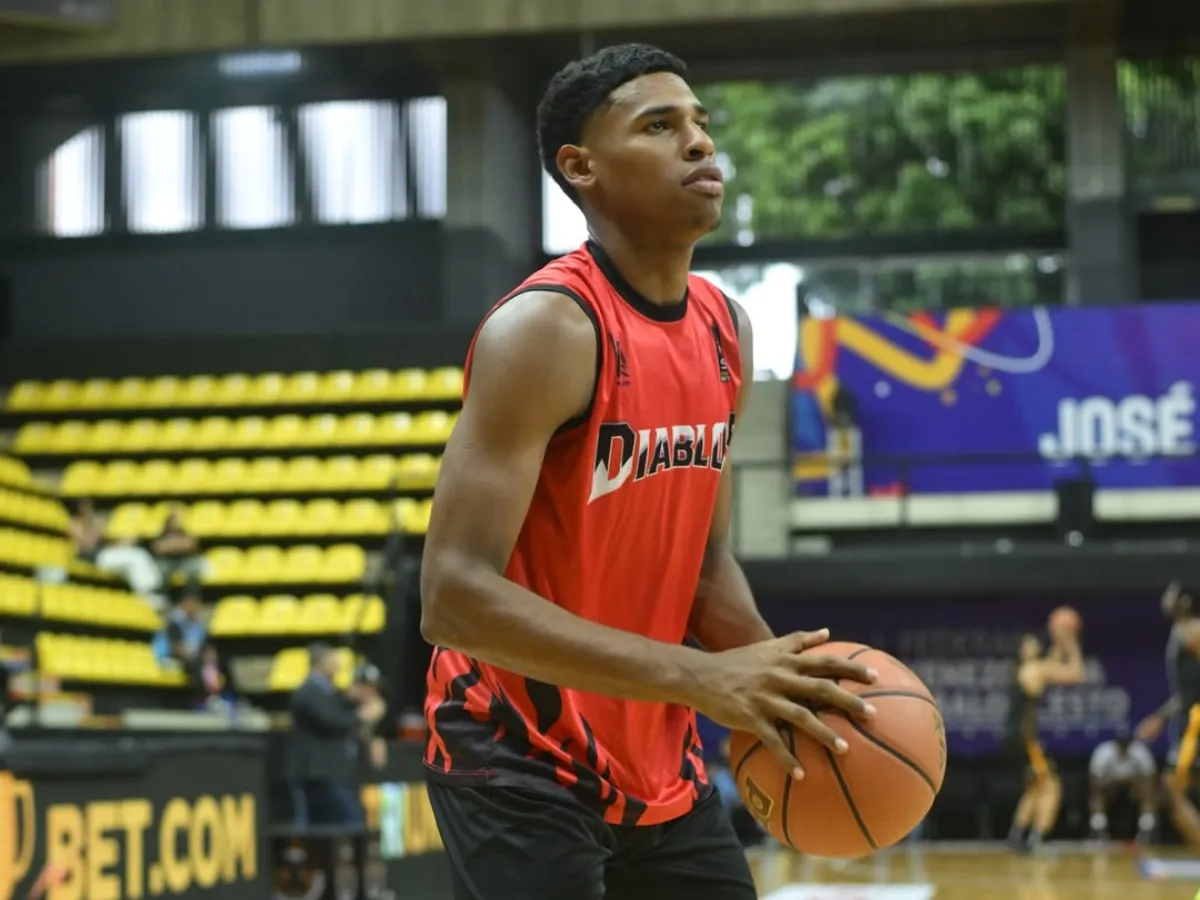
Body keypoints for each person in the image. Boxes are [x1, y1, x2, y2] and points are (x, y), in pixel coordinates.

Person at [419, 43, 878, 900]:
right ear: (580, 168)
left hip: (660, 759)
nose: (699, 142)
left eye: (700, 123)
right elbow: (451, 597)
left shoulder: (725, 328)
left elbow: (705, 567)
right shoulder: (547, 330)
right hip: (517, 754)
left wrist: (785, 687)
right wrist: (702, 678)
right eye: (659, 126)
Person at [1004, 623, 1085, 854]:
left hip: (1016, 739)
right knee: (1052, 788)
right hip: (1026, 739)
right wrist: (1070, 640)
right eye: (1029, 642)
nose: (1035, 643)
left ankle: (1016, 836)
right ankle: (1036, 840)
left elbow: (1053, 663)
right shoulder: (1034, 669)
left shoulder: (1027, 670)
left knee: (1034, 789)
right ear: (1022, 651)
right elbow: (1077, 673)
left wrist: (1058, 643)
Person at [287, 644, 385, 827]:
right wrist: (362, 716)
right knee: (346, 821)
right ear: (321, 662)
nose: (338, 665)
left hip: (333, 770)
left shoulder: (329, 691)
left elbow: (346, 720)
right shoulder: (308, 691)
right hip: (318, 771)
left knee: (336, 823)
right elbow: (331, 720)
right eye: (333, 661)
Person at [1134, 581, 1200, 848]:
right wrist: (1160, 717)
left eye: (1170, 594)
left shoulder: (1193, 630)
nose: (1165, 598)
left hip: (1195, 723)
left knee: (1172, 790)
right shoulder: (1182, 630)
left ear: (1184, 602)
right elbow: (1186, 692)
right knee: (1174, 790)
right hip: (1188, 718)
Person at [1087, 731, 1157, 842]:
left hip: (1134, 788)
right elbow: (1095, 783)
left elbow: (1150, 781)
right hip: (1110, 787)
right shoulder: (1103, 752)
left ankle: (1146, 830)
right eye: (1121, 744)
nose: (1123, 747)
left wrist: (1131, 781)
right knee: (1097, 794)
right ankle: (1098, 830)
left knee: (1147, 792)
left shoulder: (1140, 751)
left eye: (1126, 744)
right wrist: (1115, 781)